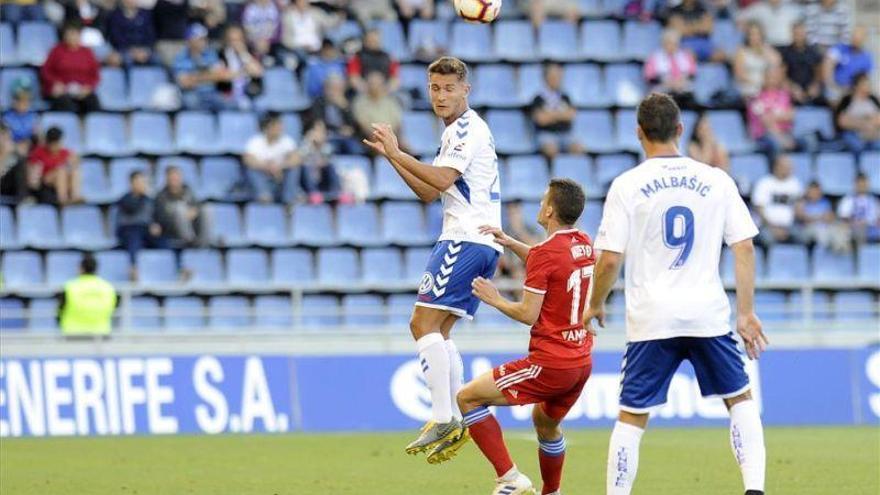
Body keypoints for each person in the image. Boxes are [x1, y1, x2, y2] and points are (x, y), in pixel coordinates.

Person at [584, 93, 768, 495]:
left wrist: (595, 303)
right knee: (740, 400)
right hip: (708, 314)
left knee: (631, 418)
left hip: (652, 317)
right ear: (680, 130)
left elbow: (610, 260)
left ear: (638, 133)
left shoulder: (627, 185)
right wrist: (746, 313)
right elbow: (745, 247)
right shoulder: (716, 179)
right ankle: (755, 490)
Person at [361, 56, 502, 463]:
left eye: (449, 89)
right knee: (438, 331)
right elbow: (429, 192)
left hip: (464, 238)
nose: (441, 96)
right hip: (479, 241)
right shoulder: (454, 134)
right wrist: (392, 156)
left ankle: (444, 416)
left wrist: (397, 150)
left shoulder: (467, 129)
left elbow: (439, 180)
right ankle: (456, 414)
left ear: (465, 90)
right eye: (435, 89)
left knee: (420, 323)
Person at [434, 179, 595, 495]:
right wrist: (509, 241)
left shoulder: (547, 253)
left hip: (551, 362)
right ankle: (553, 492)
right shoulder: (583, 242)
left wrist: (494, 298)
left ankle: (509, 478)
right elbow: (549, 260)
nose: (539, 204)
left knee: (467, 397)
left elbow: (528, 314)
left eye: (542, 200)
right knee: (546, 425)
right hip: (581, 360)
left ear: (549, 210)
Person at [40, 21, 101, 114]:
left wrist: (88, 87)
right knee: (66, 105)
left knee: (93, 103)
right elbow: (46, 71)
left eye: (75, 34)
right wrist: (55, 83)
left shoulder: (87, 52)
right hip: (63, 91)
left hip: (81, 91)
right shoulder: (56, 51)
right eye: (69, 34)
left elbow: (95, 75)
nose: (72, 37)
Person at [243, 112, 300, 203]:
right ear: (267, 128)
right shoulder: (255, 142)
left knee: (294, 169)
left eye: (280, 125)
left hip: (280, 178)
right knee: (251, 170)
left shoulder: (287, 141)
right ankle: (264, 196)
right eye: (276, 126)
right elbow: (248, 160)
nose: (280, 128)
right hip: (263, 177)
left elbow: (296, 159)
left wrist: (280, 166)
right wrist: (267, 167)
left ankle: (289, 200)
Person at [173, 23, 231, 111]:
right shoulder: (180, 58)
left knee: (228, 103)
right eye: (200, 39)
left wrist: (194, 77)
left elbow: (222, 76)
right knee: (191, 101)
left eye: (204, 39)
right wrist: (210, 75)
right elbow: (184, 83)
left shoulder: (211, 54)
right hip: (191, 93)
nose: (204, 42)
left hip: (211, 93)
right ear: (190, 40)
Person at [530, 63, 583, 159]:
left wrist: (551, 115)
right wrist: (560, 115)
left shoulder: (565, 97)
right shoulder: (538, 98)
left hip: (566, 134)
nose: (556, 79)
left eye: (558, 76)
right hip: (546, 135)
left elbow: (571, 115)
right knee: (551, 149)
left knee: (578, 148)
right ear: (545, 78)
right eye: (553, 76)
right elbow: (541, 119)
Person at [116, 170, 168, 266]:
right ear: (132, 183)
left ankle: (175, 267)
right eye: (139, 182)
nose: (142, 184)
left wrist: (156, 225)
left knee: (164, 241)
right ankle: (133, 267)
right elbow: (132, 208)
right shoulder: (125, 199)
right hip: (129, 229)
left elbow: (158, 217)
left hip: (146, 230)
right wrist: (141, 196)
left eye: (143, 182)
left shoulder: (150, 201)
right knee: (134, 239)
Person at [59, 253, 117, 337]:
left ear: (81, 269)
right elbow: (113, 308)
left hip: (72, 334)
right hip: (101, 334)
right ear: (96, 269)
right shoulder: (108, 288)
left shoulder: (69, 287)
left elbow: (60, 310)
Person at [751, 154, 804, 245]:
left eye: (790, 167)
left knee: (802, 237)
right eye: (786, 167)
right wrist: (773, 228)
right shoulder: (764, 183)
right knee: (766, 238)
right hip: (767, 226)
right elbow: (759, 210)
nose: (789, 169)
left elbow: (798, 209)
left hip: (789, 227)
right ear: (776, 167)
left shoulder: (795, 184)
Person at [747, 65, 797, 158]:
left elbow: (791, 115)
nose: (772, 79)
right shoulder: (756, 96)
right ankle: (778, 171)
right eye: (769, 76)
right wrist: (780, 138)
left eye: (775, 76)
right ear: (763, 78)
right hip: (763, 135)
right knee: (776, 143)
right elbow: (766, 121)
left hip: (786, 132)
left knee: (808, 141)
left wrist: (774, 116)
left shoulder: (784, 95)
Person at [155, 166, 210, 248]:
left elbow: (196, 205)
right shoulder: (161, 196)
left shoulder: (188, 190)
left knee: (206, 208)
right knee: (178, 208)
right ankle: (190, 242)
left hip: (191, 224)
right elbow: (161, 218)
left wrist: (194, 211)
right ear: (166, 179)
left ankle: (204, 241)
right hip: (172, 230)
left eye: (176, 176)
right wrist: (182, 215)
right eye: (171, 177)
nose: (174, 179)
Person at [306, 73, 361, 154]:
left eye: (338, 89)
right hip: (328, 136)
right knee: (329, 149)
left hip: (347, 137)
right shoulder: (318, 102)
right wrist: (338, 130)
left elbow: (354, 125)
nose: (334, 92)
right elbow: (319, 124)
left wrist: (345, 107)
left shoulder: (348, 101)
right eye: (332, 88)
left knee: (356, 149)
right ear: (325, 89)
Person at [297, 120, 348, 204]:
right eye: (317, 130)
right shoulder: (304, 145)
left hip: (323, 178)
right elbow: (301, 159)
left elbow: (328, 160)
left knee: (330, 166)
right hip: (309, 179)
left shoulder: (327, 146)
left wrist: (320, 146)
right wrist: (309, 142)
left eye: (322, 131)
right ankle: (314, 194)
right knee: (305, 167)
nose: (320, 134)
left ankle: (337, 193)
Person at [27, 126, 82, 205]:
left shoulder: (65, 152)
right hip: (46, 183)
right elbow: (34, 174)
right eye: (54, 144)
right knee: (61, 171)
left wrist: (73, 163)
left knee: (74, 171)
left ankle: (75, 196)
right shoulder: (39, 153)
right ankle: (62, 199)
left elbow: (75, 161)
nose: (56, 146)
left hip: (63, 182)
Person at [643, 30, 697, 109]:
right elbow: (649, 78)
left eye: (674, 44)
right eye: (669, 43)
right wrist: (666, 82)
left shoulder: (685, 56)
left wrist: (682, 80)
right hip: (663, 90)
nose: (672, 46)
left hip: (682, 89)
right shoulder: (654, 58)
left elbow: (692, 74)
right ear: (663, 44)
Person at [217, 24, 264, 109]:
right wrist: (244, 72)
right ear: (226, 40)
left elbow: (258, 72)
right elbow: (224, 76)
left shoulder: (248, 53)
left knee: (260, 104)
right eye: (232, 40)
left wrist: (243, 54)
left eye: (238, 40)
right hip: (228, 95)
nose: (235, 43)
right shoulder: (221, 54)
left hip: (248, 94)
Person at [822, 26, 874, 103]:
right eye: (854, 36)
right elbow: (827, 66)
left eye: (859, 37)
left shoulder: (867, 57)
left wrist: (854, 91)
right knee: (834, 96)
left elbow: (865, 79)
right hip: (836, 87)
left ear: (864, 39)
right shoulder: (840, 48)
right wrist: (832, 85)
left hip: (854, 91)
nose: (855, 39)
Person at [796, 181, 850, 252]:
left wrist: (814, 218)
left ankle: (840, 246)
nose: (814, 193)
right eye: (812, 191)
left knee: (839, 227)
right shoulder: (802, 202)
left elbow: (830, 218)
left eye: (816, 191)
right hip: (807, 231)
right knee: (818, 231)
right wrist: (820, 218)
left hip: (824, 229)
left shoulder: (824, 202)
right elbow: (802, 218)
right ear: (807, 191)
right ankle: (834, 245)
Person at [779, 21, 824, 106]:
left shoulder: (814, 51)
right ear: (792, 34)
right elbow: (782, 75)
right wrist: (792, 88)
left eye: (801, 33)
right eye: (796, 33)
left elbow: (819, 73)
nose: (798, 36)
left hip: (811, 87)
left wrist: (815, 85)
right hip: (793, 88)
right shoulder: (785, 52)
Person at [733, 22, 781, 100]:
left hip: (767, 87)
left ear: (762, 35)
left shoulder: (767, 50)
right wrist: (759, 83)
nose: (754, 37)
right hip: (748, 88)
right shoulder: (742, 51)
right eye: (752, 34)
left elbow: (777, 63)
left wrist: (765, 51)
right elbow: (739, 76)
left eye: (757, 34)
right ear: (748, 36)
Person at [835, 72, 880, 154]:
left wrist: (856, 121)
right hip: (852, 133)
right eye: (864, 84)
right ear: (856, 86)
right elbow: (842, 121)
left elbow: (878, 119)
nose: (867, 87)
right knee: (857, 145)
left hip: (872, 133)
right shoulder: (847, 100)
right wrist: (864, 124)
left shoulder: (873, 99)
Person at [353, 71, 403, 142]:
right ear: (367, 85)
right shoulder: (360, 102)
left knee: (403, 144)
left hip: (391, 137)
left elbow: (398, 123)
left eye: (378, 84)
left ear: (383, 85)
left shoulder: (391, 101)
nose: (375, 87)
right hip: (371, 138)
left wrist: (391, 137)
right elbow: (363, 125)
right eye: (372, 84)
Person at [347, 29, 401, 94]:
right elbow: (353, 78)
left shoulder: (389, 57)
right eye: (370, 40)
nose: (373, 42)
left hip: (385, 91)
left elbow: (395, 79)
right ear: (365, 41)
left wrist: (385, 90)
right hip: (364, 92)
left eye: (375, 40)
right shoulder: (356, 57)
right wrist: (368, 91)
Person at [105, 0, 157, 66]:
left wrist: (144, 49)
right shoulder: (115, 15)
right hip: (123, 49)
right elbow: (116, 36)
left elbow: (150, 34)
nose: (131, 1)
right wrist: (132, 51)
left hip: (144, 49)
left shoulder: (146, 14)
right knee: (126, 59)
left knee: (157, 59)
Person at [736, 0, 802, 48]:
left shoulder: (790, 8)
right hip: (769, 47)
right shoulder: (759, 8)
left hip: (788, 46)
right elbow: (739, 18)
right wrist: (748, 30)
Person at [838, 174, 880, 244]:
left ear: (867, 184)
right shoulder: (848, 199)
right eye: (859, 183)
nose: (861, 186)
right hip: (853, 228)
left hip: (871, 228)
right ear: (855, 184)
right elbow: (844, 218)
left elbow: (877, 219)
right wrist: (855, 223)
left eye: (863, 183)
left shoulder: (874, 201)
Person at [1, 81, 39, 156]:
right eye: (21, 102)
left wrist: (27, 143)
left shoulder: (33, 117)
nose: (24, 105)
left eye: (26, 102)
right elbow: (5, 136)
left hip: (29, 145)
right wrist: (16, 146)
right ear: (14, 103)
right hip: (13, 146)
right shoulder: (6, 117)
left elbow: (36, 135)